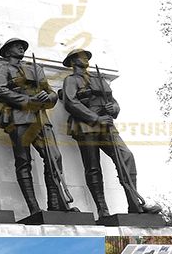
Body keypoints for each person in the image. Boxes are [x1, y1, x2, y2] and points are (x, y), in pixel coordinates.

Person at [61, 49, 160, 218]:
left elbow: (113, 101)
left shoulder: (98, 79)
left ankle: (135, 204)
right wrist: (95, 118)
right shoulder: (71, 80)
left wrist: (114, 108)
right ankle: (102, 210)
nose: (85, 58)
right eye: (80, 56)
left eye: (86, 56)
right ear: (72, 62)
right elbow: (71, 102)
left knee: (126, 156)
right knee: (93, 168)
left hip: (107, 124)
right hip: (86, 125)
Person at [0, 38, 72, 215]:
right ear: (7, 52)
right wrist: (28, 100)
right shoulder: (4, 69)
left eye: (22, 46)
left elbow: (52, 93)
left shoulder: (35, 69)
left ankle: (54, 203)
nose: (21, 47)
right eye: (16, 46)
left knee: (54, 157)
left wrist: (47, 97)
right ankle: (34, 208)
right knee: (23, 161)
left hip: (40, 118)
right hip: (19, 117)